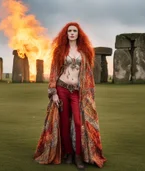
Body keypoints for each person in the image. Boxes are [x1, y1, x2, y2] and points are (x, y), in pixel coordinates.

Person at [33, 22, 106, 169]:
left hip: (77, 91)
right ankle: (68, 153)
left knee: (79, 123)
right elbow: (54, 72)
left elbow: (88, 74)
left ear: (79, 34)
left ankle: (78, 155)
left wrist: (89, 93)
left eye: (74, 31)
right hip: (62, 89)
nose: (72, 33)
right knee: (64, 122)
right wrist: (53, 93)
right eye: (69, 31)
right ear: (66, 34)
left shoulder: (84, 51)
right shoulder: (60, 51)